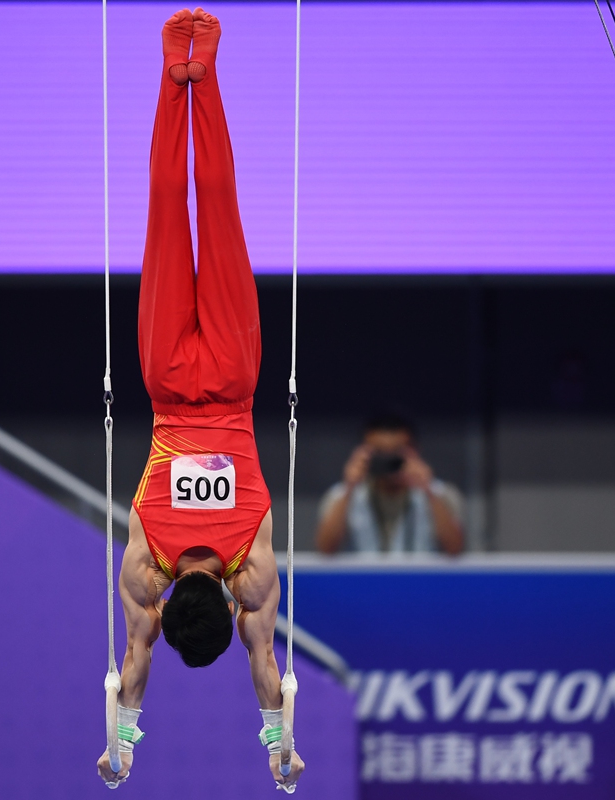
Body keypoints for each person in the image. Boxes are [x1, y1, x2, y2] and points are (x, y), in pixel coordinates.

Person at [95, 8, 304, 791]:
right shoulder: (142, 577)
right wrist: (120, 748)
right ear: (169, 601)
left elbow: (267, 664)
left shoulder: (253, 578)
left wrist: (280, 747)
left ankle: (201, 68)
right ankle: (172, 67)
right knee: (164, 214)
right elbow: (133, 663)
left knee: (217, 213)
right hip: (166, 383)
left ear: (227, 602)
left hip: (234, 374)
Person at [315, 412, 465, 555]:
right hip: (364, 580)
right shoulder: (341, 495)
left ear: (414, 451)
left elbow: (455, 549)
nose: (388, 460)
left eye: (396, 452)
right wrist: (349, 488)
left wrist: (428, 490)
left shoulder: (441, 493)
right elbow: (325, 550)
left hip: (420, 580)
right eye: (379, 453)